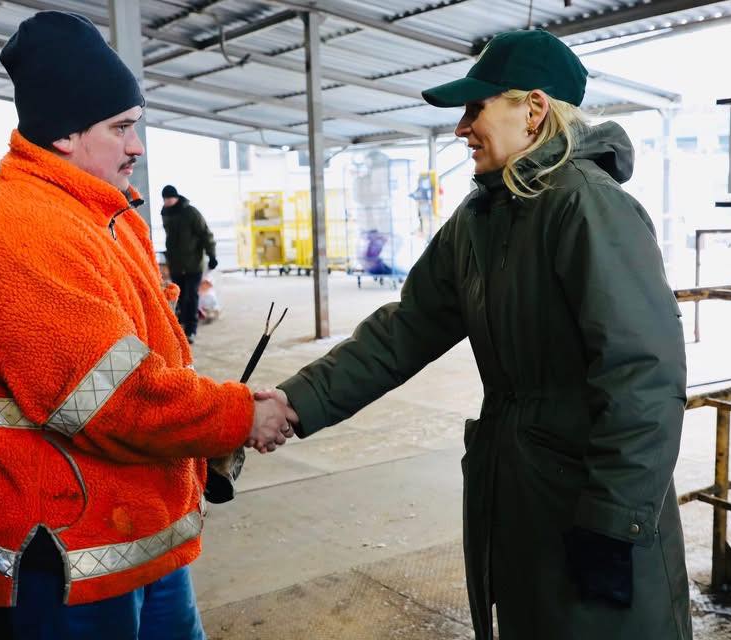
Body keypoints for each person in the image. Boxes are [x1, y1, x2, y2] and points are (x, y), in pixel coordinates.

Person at [259, 30, 690, 639]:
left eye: (475, 108)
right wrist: (295, 402)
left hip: (591, 502)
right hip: (519, 490)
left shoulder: (588, 207)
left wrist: (615, 521)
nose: (462, 127)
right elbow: (404, 330)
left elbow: (643, 375)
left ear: (533, 110)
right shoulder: (480, 218)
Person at [0, 11, 294, 640]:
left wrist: (210, 416)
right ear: (64, 135)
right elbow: (116, 399)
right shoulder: (24, 232)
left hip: (125, 527)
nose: (136, 146)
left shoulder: (98, 209)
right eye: (122, 128)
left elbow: (151, 354)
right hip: (65, 550)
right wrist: (239, 415)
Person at [161, 186, 217, 343]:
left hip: (193, 264)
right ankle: (181, 328)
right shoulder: (165, 212)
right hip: (177, 265)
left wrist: (211, 254)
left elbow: (205, 233)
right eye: (164, 199)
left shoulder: (191, 212)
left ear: (176, 197)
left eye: (169, 198)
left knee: (191, 296)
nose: (166, 202)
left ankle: (191, 330)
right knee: (179, 297)